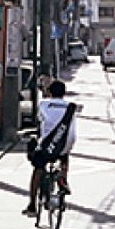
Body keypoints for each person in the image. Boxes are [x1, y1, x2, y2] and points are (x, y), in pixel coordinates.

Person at [24, 79, 78, 215]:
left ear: (49, 92)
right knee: (64, 156)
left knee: (38, 167)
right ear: (64, 93)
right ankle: (63, 178)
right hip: (65, 144)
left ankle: (32, 205)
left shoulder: (43, 104)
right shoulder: (70, 106)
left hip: (47, 145)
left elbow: (40, 121)